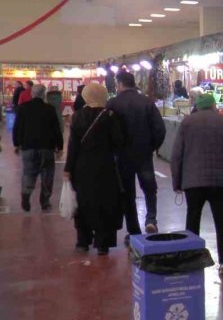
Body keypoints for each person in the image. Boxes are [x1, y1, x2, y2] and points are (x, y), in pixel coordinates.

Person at [171, 93, 223, 275]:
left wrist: (177, 182)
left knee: (193, 217)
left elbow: (177, 154)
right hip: (222, 181)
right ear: (213, 106)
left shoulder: (187, 123)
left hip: (193, 181)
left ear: (196, 106)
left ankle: (192, 257)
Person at [63, 83, 125, 255]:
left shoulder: (77, 116)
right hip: (105, 166)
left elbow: (73, 147)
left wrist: (68, 169)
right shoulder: (110, 116)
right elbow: (118, 142)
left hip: (82, 167)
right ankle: (103, 244)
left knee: (83, 202)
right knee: (105, 203)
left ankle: (83, 241)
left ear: (85, 96)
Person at [107, 71, 166, 235]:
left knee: (127, 193)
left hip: (122, 156)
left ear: (119, 83)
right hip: (143, 154)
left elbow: (107, 131)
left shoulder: (113, 104)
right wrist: (151, 147)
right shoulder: (147, 102)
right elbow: (160, 129)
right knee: (149, 188)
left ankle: (133, 230)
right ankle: (151, 219)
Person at [13, 84, 63, 212]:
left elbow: (17, 127)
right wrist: (60, 147)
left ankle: (26, 194)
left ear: (32, 94)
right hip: (46, 148)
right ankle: (45, 202)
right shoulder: (50, 109)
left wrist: (16, 144)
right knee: (47, 176)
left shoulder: (23, 108)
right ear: (43, 94)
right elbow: (56, 129)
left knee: (28, 173)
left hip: (28, 147)